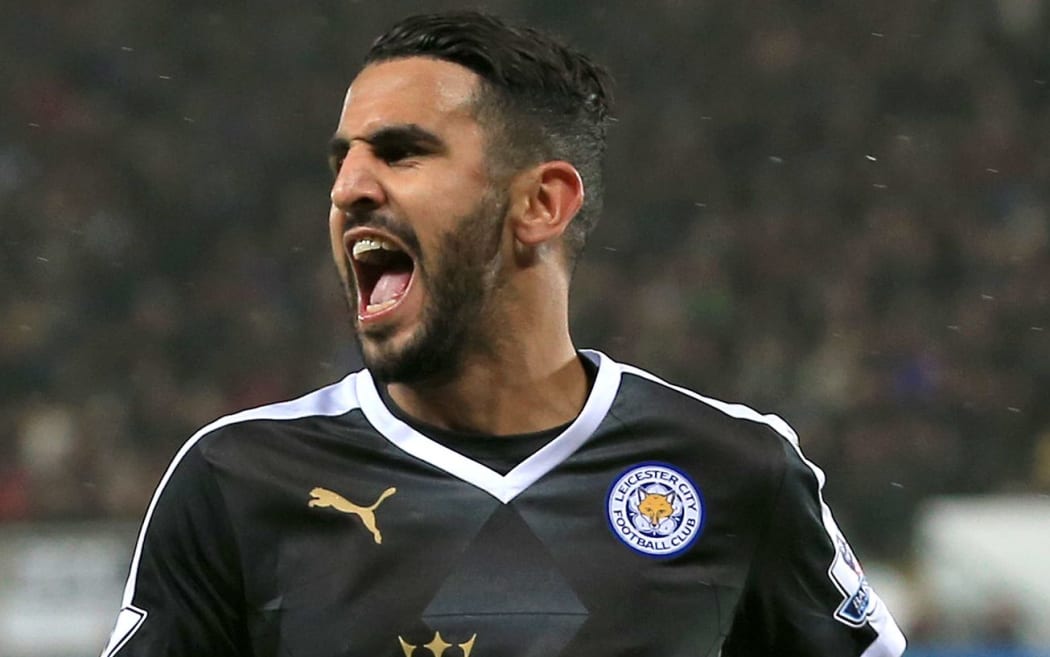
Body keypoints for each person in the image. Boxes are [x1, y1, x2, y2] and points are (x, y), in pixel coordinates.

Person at [102, 11, 906, 657]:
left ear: (541, 204)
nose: (348, 188)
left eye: (401, 152)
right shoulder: (236, 479)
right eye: (341, 161)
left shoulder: (736, 469)